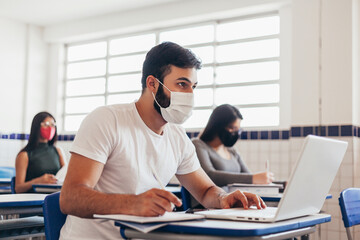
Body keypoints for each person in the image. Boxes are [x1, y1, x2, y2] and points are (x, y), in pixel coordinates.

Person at [59, 42, 266, 239]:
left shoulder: (177, 137)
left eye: (194, 86)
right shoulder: (107, 120)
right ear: (152, 83)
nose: (190, 94)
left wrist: (224, 199)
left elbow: (205, 191)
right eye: (182, 84)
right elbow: (70, 198)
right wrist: (133, 204)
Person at [192, 104, 274, 188]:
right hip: (211, 200)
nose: (235, 133)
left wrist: (281, 184)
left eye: (238, 130)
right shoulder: (198, 145)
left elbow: (248, 176)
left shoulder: (231, 150)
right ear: (218, 126)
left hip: (234, 198)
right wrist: (253, 178)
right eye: (232, 128)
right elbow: (209, 175)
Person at [15, 112, 66, 193]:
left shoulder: (58, 151)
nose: (50, 128)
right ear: (36, 127)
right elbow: (18, 188)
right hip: (33, 200)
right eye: (46, 124)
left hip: (55, 197)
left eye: (53, 125)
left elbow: (65, 175)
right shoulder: (24, 155)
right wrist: (38, 181)